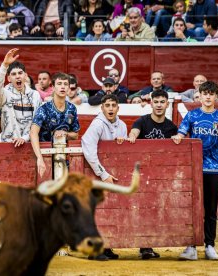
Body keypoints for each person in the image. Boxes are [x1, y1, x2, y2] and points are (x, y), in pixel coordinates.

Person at [172, 81, 218, 261]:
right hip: (194, 169)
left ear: (216, 96)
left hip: (213, 169)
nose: (207, 97)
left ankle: (210, 245)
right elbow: (181, 134)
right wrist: (178, 137)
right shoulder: (191, 116)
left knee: (211, 209)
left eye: (211, 94)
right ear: (199, 95)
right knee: (192, 209)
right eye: (204, 93)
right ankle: (191, 246)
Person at [82, 94, 131, 261]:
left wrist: (121, 141)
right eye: (107, 105)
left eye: (113, 105)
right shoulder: (97, 125)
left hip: (111, 175)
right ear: (102, 108)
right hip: (98, 175)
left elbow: (122, 152)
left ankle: (107, 246)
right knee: (96, 211)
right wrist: (102, 174)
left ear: (118, 108)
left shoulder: (122, 125)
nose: (110, 108)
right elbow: (88, 150)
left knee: (108, 210)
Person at [129, 89, 177, 259]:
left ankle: (147, 245)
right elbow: (134, 132)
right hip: (143, 174)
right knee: (143, 209)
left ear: (167, 104)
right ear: (151, 103)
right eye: (155, 102)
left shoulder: (171, 127)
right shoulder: (142, 121)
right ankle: (145, 246)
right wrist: (132, 137)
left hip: (160, 175)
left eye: (161, 102)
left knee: (156, 209)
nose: (158, 105)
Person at [30, 72, 80, 177]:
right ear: (53, 87)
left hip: (64, 158)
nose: (62, 87)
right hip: (46, 157)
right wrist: (39, 158)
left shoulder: (72, 108)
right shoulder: (44, 108)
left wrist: (65, 134)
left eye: (65, 84)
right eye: (59, 84)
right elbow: (33, 133)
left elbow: (75, 135)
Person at [0, 48, 42, 146]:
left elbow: (37, 121)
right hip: (8, 144)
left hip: (30, 144)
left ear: (25, 76)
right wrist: (4, 65)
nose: (18, 76)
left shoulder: (35, 95)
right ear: (9, 79)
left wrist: (25, 138)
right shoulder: (4, 94)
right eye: (13, 74)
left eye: (20, 73)